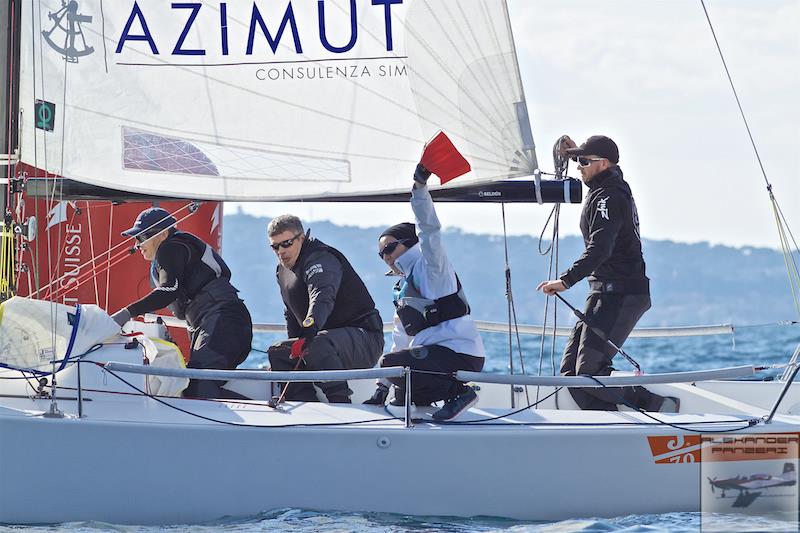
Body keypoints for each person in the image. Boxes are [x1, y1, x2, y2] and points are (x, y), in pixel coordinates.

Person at [537, 135, 678, 412]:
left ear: (603, 164)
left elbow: (599, 250)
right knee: (571, 375)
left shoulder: (610, 196)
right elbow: (592, 164)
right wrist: (575, 152)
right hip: (603, 293)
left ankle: (655, 404)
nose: (579, 167)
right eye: (578, 160)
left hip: (622, 294)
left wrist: (565, 281)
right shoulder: (605, 188)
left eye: (584, 162)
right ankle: (608, 425)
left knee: (588, 373)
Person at [365, 164, 485, 421]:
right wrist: (381, 389)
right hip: (431, 358)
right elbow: (401, 338)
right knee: (401, 389)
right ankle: (438, 398)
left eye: (389, 249)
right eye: (380, 254)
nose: (385, 257)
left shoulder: (432, 268)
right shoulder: (403, 288)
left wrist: (419, 190)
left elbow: (429, 232)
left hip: (460, 354)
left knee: (392, 364)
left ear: (409, 242)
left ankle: (460, 393)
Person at [111, 207, 253, 399]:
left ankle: (268, 419)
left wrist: (127, 312)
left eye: (142, 237)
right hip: (218, 321)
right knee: (193, 384)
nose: (137, 244)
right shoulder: (174, 249)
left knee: (198, 385)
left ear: (161, 235)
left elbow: (169, 290)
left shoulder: (170, 248)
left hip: (222, 320)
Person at [267, 215, 384, 403]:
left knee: (316, 343)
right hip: (327, 342)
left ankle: (341, 405)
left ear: (302, 238)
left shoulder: (321, 258)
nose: (281, 251)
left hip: (365, 338)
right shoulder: (282, 271)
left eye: (286, 243)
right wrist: (295, 345)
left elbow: (322, 296)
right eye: (275, 246)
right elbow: (291, 313)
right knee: (277, 351)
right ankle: (305, 405)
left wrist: (309, 331)